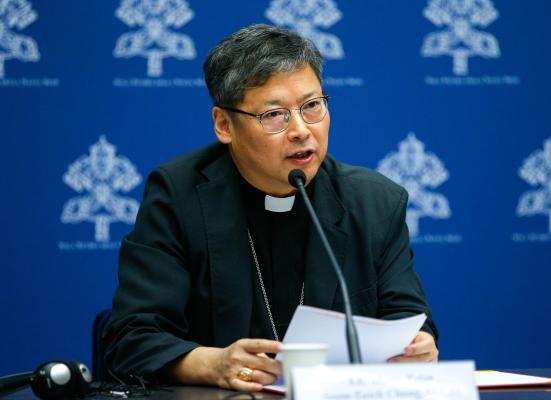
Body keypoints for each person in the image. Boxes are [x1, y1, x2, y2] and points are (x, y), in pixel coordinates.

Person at [103, 24, 439, 392]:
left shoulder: (375, 202)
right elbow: (130, 339)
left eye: (312, 106)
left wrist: (418, 348)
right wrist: (211, 364)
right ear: (224, 124)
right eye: (275, 114)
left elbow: (409, 321)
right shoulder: (177, 196)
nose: (300, 130)